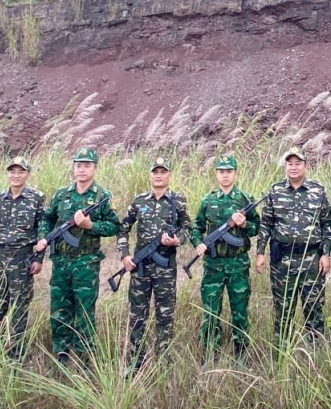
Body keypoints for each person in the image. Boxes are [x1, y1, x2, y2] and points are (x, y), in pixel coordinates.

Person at [34, 146, 120, 367]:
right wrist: (44, 237)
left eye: (87, 166)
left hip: (86, 262)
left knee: (84, 310)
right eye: (78, 165)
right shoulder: (62, 194)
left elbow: (113, 226)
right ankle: (61, 353)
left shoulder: (102, 196)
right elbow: (47, 219)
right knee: (59, 308)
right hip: (61, 261)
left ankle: (84, 356)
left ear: (95, 168)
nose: (82, 170)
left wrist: (90, 225)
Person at [117, 155, 192, 375]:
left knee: (165, 316)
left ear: (169, 175)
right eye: (155, 172)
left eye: (163, 172)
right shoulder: (139, 201)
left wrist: (177, 241)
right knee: (137, 316)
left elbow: (188, 228)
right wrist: (124, 255)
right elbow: (123, 229)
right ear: (150, 175)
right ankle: (134, 364)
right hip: (140, 268)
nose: (159, 176)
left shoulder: (178, 201)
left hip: (165, 269)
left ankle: (164, 365)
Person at [255, 146, 331, 348]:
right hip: (283, 262)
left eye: (298, 163)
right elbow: (266, 224)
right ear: (286, 166)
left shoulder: (318, 191)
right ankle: (282, 351)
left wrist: (326, 254)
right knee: (283, 309)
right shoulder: (275, 191)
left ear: (305, 166)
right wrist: (260, 252)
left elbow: (326, 224)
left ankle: (316, 352)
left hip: (311, 261)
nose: (294, 167)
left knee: (314, 309)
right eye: (290, 164)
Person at [191, 154, 260, 362]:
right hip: (213, 266)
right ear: (216, 174)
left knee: (240, 312)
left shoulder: (245, 199)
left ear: (235, 174)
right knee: (211, 313)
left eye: (229, 171)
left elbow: (257, 228)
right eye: (221, 171)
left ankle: (242, 357)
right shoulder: (208, 200)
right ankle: (211, 355)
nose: (225, 175)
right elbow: (196, 227)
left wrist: (244, 224)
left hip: (238, 265)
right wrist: (198, 244)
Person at [0, 155, 45, 361]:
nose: (16, 175)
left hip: (22, 257)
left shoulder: (37, 198)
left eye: (20, 172)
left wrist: (39, 258)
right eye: (12, 171)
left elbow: (42, 230)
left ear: (27, 174)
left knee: (19, 305)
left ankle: (16, 352)